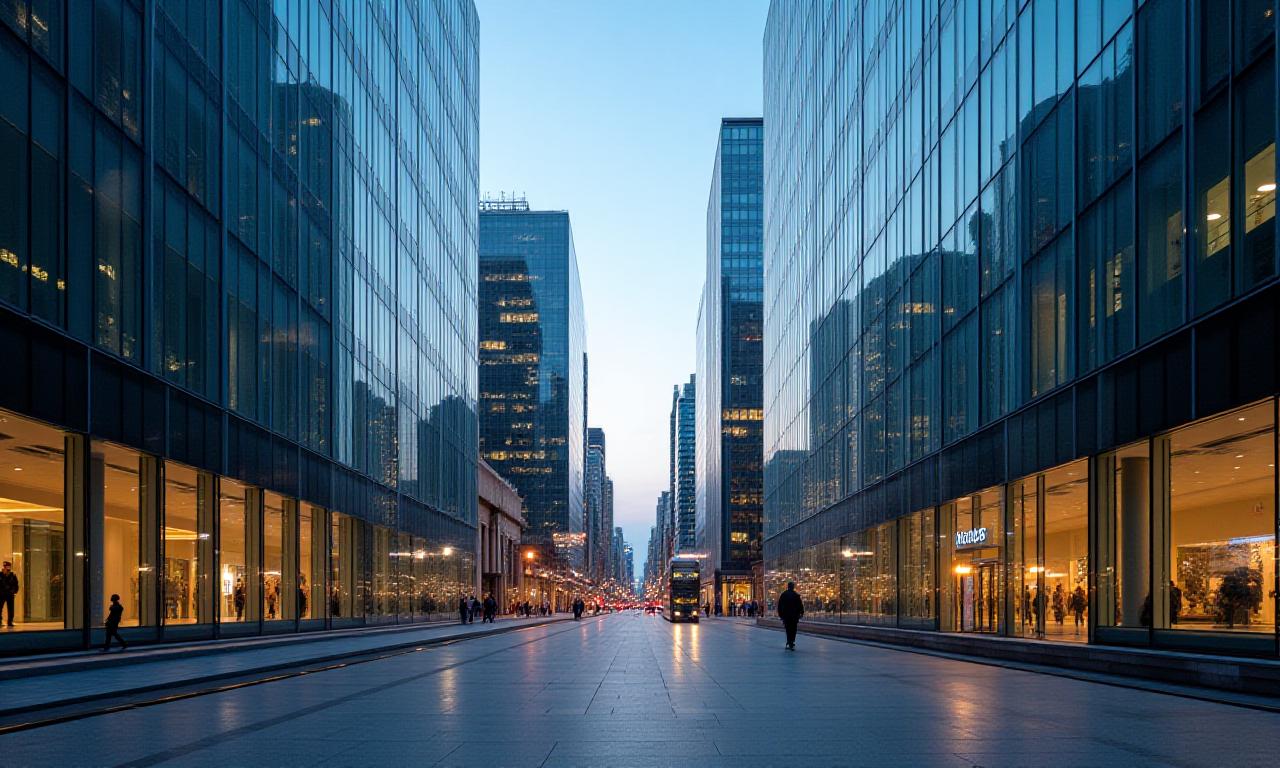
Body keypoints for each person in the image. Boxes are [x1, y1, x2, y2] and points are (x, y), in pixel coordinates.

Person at [777, 581, 804, 650]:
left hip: (786, 616)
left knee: (788, 629)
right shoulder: (796, 595)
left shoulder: (783, 595)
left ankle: (789, 641)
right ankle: (792, 641)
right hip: (794, 616)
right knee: (794, 629)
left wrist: (780, 614)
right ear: (793, 587)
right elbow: (800, 605)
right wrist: (801, 613)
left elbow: (780, 605)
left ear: (788, 587)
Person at [0, 561, 18, 628]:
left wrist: (14, 592)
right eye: (5, 566)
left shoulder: (13, 575)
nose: (6, 568)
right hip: (1, 594)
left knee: (11, 609)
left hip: (10, 595)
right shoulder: (0, 575)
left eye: (8, 566)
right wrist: (4, 575)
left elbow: (16, 585)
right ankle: (0, 621)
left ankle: (10, 621)